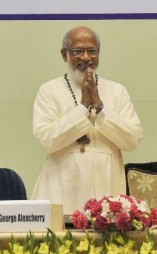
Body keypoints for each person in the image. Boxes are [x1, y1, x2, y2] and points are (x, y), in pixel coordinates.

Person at [32, 26, 143, 214]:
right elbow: (47, 139)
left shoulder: (117, 90)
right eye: (78, 51)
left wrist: (100, 107)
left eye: (92, 51)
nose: (85, 57)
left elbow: (132, 139)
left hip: (107, 186)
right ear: (64, 54)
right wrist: (83, 107)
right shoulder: (49, 90)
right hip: (62, 189)